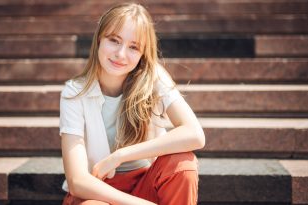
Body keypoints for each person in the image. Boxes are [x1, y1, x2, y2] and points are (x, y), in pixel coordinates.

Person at [59, 3, 205, 205]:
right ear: (99, 39)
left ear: (143, 53)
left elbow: (195, 135)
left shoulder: (153, 77)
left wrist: (120, 156)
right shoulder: (74, 92)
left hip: (145, 183)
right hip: (97, 192)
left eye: (133, 47)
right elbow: (77, 181)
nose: (121, 54)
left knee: (182, 163)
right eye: (114, 40)